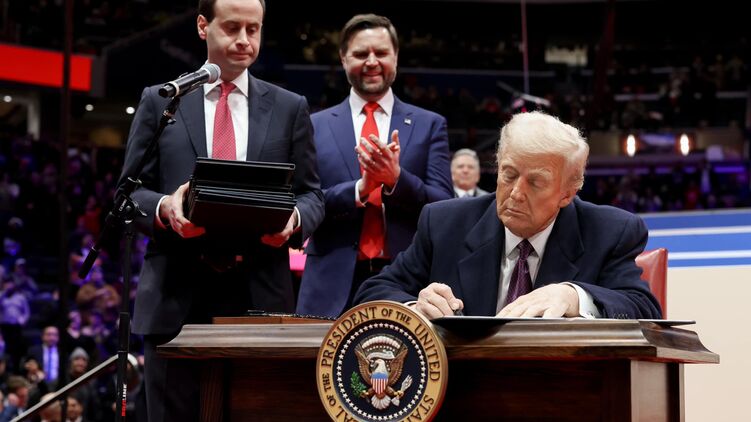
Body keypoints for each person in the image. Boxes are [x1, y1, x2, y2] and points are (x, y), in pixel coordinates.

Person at [117, 0, 324, 420]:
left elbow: (312, 196)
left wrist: (294, 218)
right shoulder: (162, 100)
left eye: (254, 29)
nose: (244, 40)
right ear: (202, 26)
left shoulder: (290, 107)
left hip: (260, 298)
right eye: (232, 27)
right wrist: (165, 207)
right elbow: (126, 195)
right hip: (174, 298)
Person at [355, 111, 662, 319]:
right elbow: (372, 293)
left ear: (567, 193)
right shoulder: (444, 223)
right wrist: (415, 307)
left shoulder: (610, 231)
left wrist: (574, 297)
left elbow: (644, 309)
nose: (516, 193)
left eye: (536, 182)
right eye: (509, 174)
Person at [296, 14, 453, 318]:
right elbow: (303, 202)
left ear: (396, 56)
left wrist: (396, 180)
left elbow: (444, 205)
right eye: (360, 54)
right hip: (328, 285)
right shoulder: (313, 125)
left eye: (381, 53)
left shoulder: (430, 124)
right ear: (343, 59)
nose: (371, 62)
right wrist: (360, 189)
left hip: (407, 283)